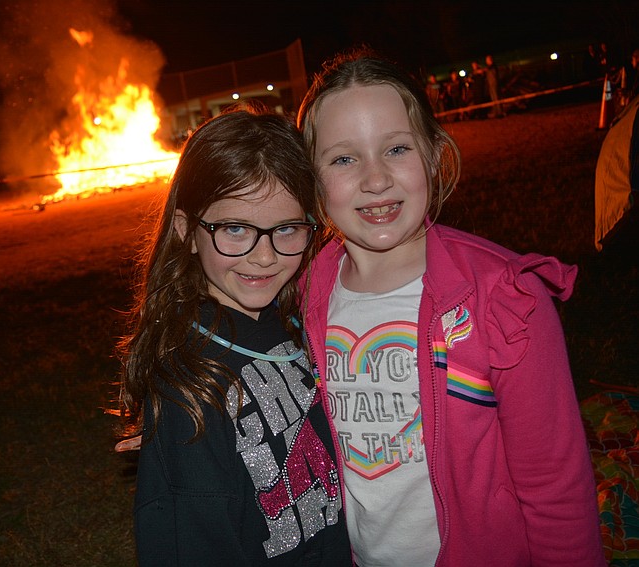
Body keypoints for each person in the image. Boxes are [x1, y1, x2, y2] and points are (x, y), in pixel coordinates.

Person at [296, 48, 606, 566]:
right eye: (344, 158)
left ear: (434, 155)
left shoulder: (503, 298)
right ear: (311, 178)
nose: (375, 180)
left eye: (396, 149)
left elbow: (555, 487)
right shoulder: (303, 295)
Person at [118, 104, 350, 566]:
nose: (263, 257)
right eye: (236, 229)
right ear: (187, 230)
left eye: (286, 229)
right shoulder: (188, 380)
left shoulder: (304, 319)